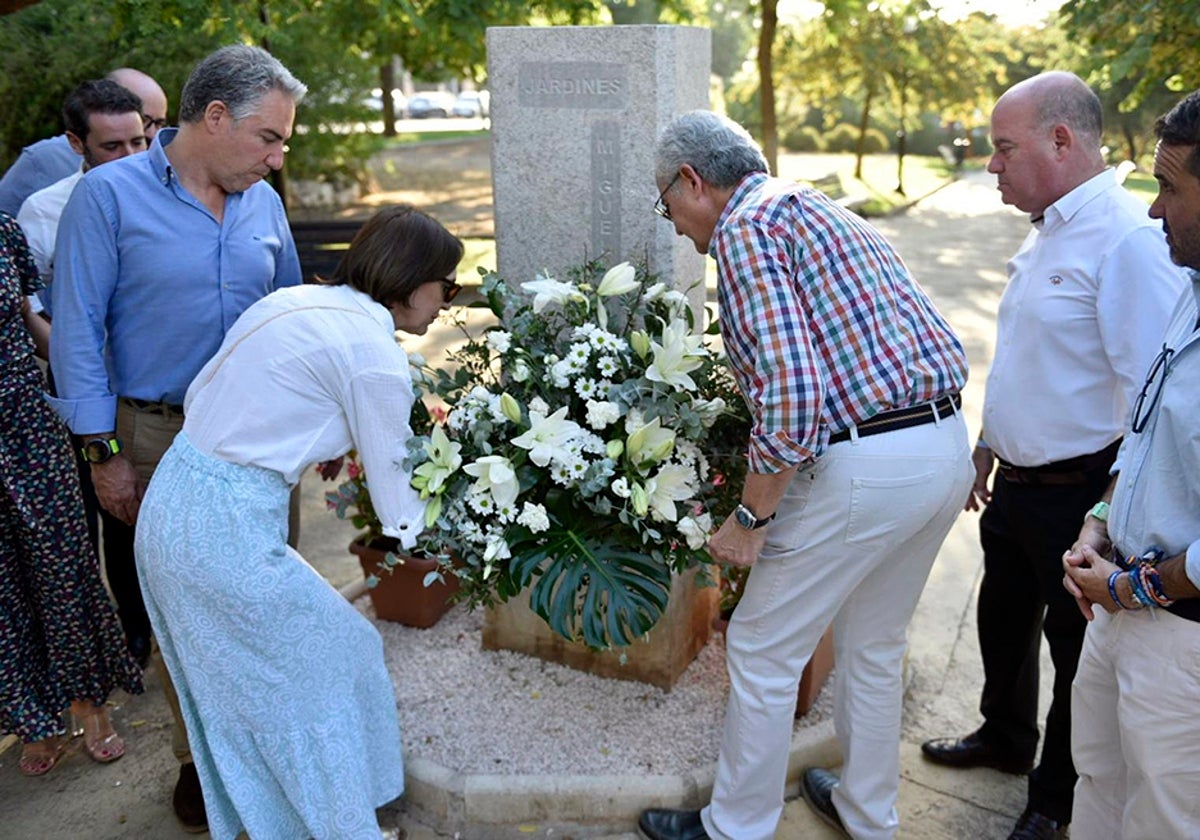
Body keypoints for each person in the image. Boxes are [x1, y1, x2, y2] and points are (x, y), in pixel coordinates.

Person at [638, 110, 972, 840]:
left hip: (869, 464)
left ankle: (735, 827)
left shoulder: (746, 230)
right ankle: (867, 812)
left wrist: (752, 518)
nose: (672, 225)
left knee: (762, 648)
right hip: (942, 443)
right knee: (876, 645)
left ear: (693, 180)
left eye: (666, 204)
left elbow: (792, 393)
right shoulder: (812, 207)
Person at [135, 204, 460, 840]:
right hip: (222, 532)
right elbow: (401, 514)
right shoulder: (373, 355)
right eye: (445, 285)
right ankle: (336, 828)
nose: (448, 301)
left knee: (276, 675)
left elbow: (209, 394)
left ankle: (305, 816)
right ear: (410, 277)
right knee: (307, 679)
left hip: (174, 502)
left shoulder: (290, 301)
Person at [46, 44, 305, 833]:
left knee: (267, 599)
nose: (278, 154)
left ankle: (273, 750)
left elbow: (290, 311)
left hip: (259, 438)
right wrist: (102, 454)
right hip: (153, 439)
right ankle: (206, 764)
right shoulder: (108, 197)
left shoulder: (262, 199)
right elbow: (77, 331)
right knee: (182, 614)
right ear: (215, 116)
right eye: (269, 137)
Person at [918, 72, 1183, 840]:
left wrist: (1102, 513)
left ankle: (1055, 801)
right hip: (1014, 484)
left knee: (1073, 657)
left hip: (1078, 494)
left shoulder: (1127, 239)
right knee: (1001, 621)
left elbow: (1150, 401)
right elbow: (1029, 359)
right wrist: (985, 446)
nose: (992, 166)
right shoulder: (1051, 226)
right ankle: (1004, 737)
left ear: (1061, 141)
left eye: (1005, 149)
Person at [1061, 87, 1200, 840]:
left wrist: (1129, 585)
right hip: (1122, 611)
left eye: (1170, 189)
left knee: (1165, 822)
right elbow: (1149, 440)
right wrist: (1098, 523)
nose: (1153, 211)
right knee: (1101, 793)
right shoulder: (1192, 289)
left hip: (1183, 642)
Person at [0, 212, 143, 776]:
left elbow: (26, 316)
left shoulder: (4, 231)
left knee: (62, 568)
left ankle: (90, 705)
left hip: (27, 425)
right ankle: (34, 718)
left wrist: (85, 376)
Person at [0, 67, 167, 215]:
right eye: (112, 146)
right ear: (76, 143)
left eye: (138, 142)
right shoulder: (44, 202)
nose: (153, 134)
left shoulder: (169, 192)